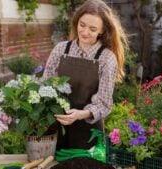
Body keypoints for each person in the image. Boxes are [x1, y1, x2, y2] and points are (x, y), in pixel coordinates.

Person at [42, 0, 129, 150]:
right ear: (76, 22)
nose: (85, 32)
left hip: (86, 132)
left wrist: (80, 114)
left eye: (93, 29)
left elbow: (104, 104)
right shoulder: (60, 50)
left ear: (101, 31)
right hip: (54, 126)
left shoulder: (106, 58)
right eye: (82, 25)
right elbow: (44, 84)